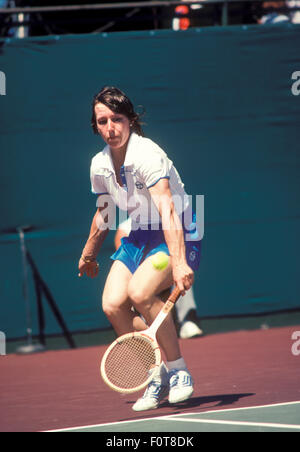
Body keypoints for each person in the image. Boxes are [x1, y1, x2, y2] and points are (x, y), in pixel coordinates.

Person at [78, 86, 202, 412]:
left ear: (130, 120)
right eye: (102, 121)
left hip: (177, 231)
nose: (110, 128)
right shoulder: (99, 165)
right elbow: (104, 211)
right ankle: (154, 374)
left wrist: (179, 263)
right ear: (96, 126)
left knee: (140, 292)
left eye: (117, 119)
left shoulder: (147, 154)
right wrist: (89, 253)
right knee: (112, 305)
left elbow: (169, 210)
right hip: (139, 234)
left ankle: (178, 371)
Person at [114, 218, 203, 340]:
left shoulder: (169, 216)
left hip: (166, 266)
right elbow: (124, 252)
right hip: (140, 274)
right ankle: (146, 326)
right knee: (134, 292)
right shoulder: (125, 226)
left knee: (182, 275)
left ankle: (188, 321)